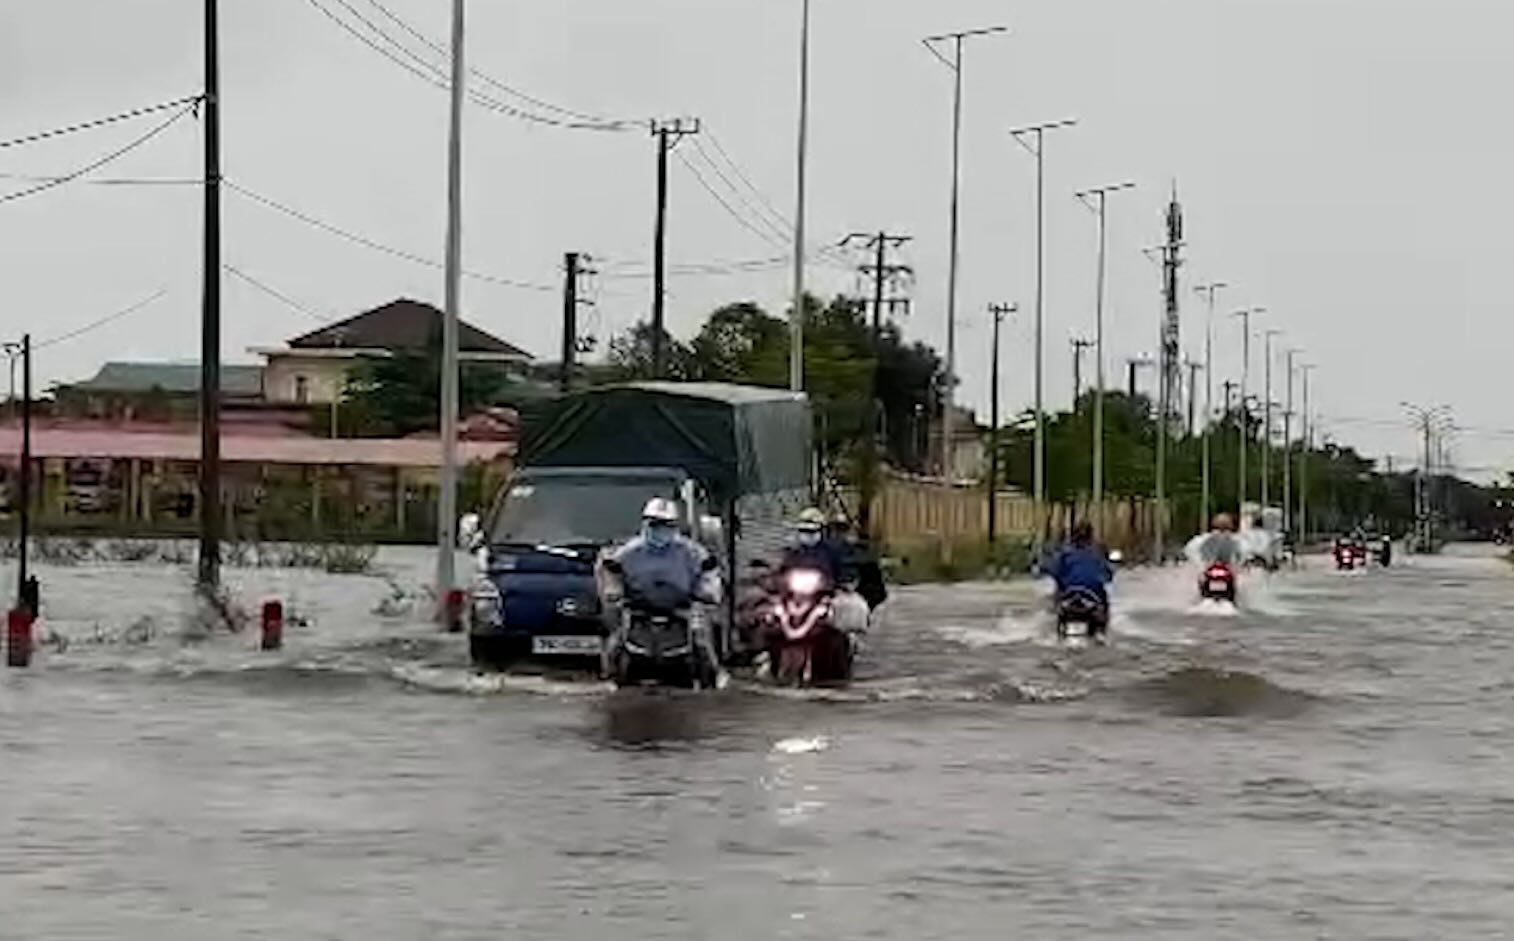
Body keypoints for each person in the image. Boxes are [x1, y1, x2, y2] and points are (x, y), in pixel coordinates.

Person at [599, 497, 723, 678]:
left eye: (666, 525)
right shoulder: (630, 550)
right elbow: (611, 571)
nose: (660, 530)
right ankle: (609, 676)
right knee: (617, 640)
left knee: (701, 639)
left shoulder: (690, 551)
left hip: (681, 606)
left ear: (675, 527)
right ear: (645, 524)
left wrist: (708, 592)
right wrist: (613, 592)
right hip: (639, 607)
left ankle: (712, 678)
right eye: (655, 524)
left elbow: (709, 570)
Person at [778, 507, 870, 638]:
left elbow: (844, 568)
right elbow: (783, 571)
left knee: (845, 611)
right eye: (803, 531)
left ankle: (845, 642)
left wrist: (843, 582)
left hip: (824, 595)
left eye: (811, 531)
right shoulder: (793, 553)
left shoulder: (832, 550)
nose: (807, 534)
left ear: (821, 530)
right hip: (797, 595)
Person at [1044, 521, 1114, 628]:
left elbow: (1055, 572)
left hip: (1069, 595)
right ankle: (1102, 630)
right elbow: (1108, 576)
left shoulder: (1065, 552)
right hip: (1093, 595)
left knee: (1058, 596)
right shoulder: (1098, 551)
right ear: (1091, 535)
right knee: (1103, 601)